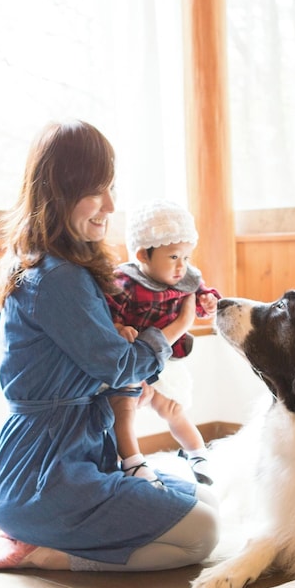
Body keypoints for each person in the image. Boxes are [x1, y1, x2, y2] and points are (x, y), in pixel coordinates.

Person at [0, 120, 219, 573]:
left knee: (203, 496)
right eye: (95, 191)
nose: (110, 205)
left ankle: (37, 535)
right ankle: (43, 552)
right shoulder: (57, 276)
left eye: (111, 188)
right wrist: (178, 325)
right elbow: (122, 367)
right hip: (48, 477)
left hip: (67, 461)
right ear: (58, 193)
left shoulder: (59, 265)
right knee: (202, 535)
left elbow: (107, 357)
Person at [106, 200, 221, 486]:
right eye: (172, 257)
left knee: (172, 408)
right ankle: (132, 460)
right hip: (133, 357)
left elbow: (202, 302)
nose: (181, 266)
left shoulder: (187, 278)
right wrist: (119, 327)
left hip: (166, 357)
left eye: (186, 257)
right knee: (124, 405)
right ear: (143, 255)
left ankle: (197, 452)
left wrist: (208, 302)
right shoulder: (125, 281)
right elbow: (109, 311)